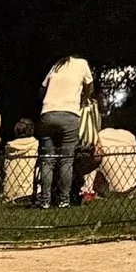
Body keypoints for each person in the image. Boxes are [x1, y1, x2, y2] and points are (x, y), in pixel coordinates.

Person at [37, 50, 93, 208]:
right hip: (69, 114)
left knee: (47, 160)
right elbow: (89, 86)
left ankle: (45, 201)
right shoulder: (82, 64)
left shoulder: (57, 65)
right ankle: (64, 200)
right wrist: (83, 100)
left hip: (48, 114)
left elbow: (42, 88)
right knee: (66, 160)